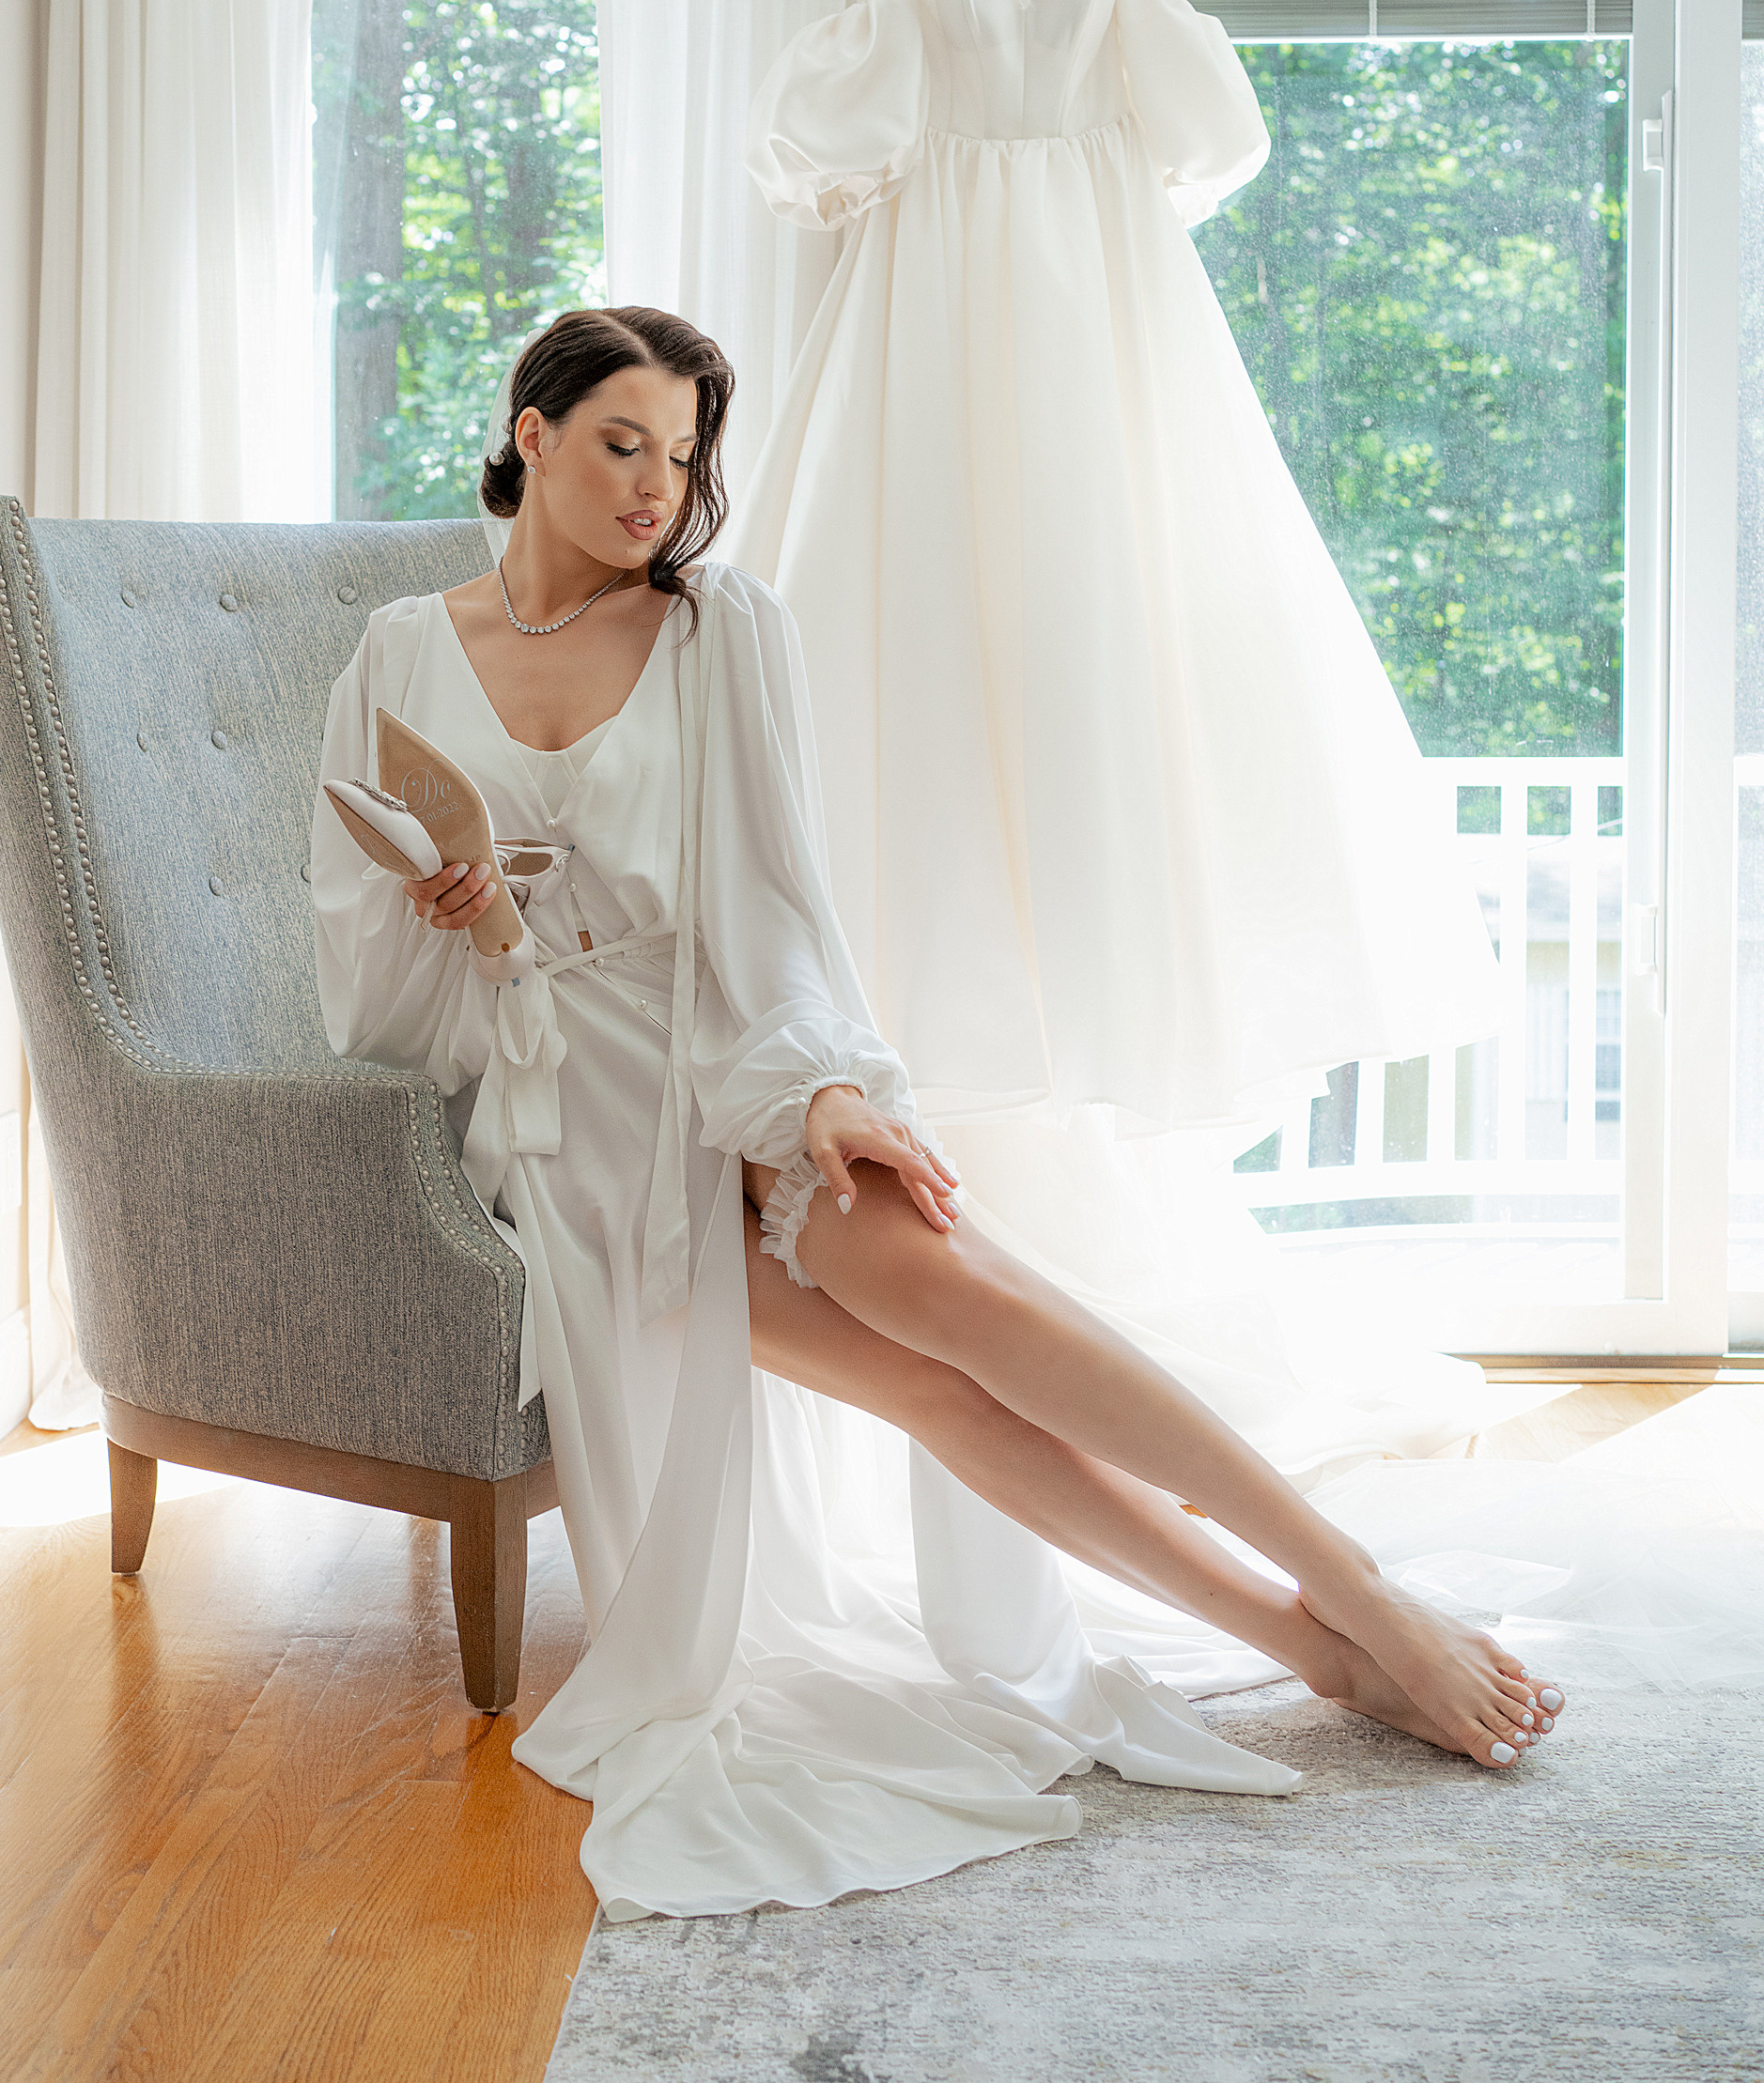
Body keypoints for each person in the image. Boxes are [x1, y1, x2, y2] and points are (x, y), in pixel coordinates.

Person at [312, 304, 1562, 1921]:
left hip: (738, 1060)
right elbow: (362, 978)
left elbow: (782, 909)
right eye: (624, 442)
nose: (656, 486)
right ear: (531, 432)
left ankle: (1365, 1595)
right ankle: (1316, 1654)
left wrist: (825, 1090)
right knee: (941, 1398)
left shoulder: (719, 629)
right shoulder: (399, 653)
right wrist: (460, 920)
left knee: (949, 1285)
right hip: (565, 1134)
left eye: (684, 453)